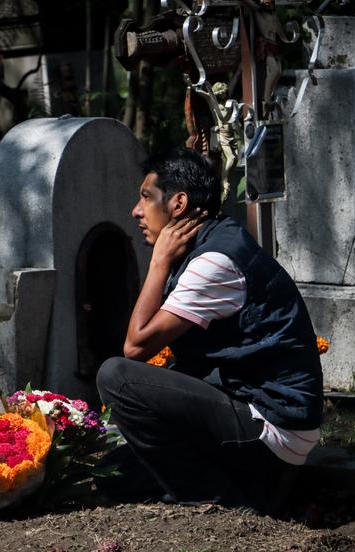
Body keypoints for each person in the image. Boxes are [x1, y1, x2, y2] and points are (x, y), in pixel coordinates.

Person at [96, 148, 323, 512]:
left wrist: (157, 264)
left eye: (145, 197)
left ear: (178, 203)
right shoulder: (212, 241)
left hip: (272, 430)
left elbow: (135, 346)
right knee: (112, 476)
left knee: (117, 378)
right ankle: (224, 484)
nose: (135, 211)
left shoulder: (214, 262)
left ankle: (215, 498)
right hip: (248, 413)